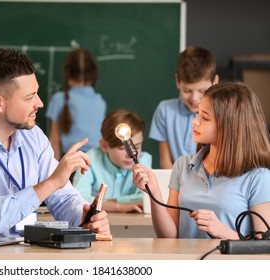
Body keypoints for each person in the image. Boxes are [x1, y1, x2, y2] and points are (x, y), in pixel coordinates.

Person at [0, 48, 110, 238]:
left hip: (22, 254)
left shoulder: (33, 137)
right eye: (29, 97)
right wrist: (50, 183)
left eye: (37, 94)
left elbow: (63, 198)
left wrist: (84, 217)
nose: (40, 103)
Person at [133, 82, 270, 239]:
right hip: (185, 263)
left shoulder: (259, 177)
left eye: (205, 117)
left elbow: (264, 247)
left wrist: (223, 232)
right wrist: (154, 192)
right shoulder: (182, 165)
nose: (195, 121)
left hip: (228, 264)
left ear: (231, 126)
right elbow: (169, 236)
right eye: (198, 113)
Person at [149, 46, 219, 169]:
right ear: (178, 81)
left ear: (215, 81)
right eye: (187, 90)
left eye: (202, 90)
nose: (194, 98)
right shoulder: (165, 111)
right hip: (176, 182)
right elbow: (165, 162)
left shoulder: (221, 114)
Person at [73, 109, 152, 213]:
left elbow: (148, 198)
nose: (130, 155)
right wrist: (118, 206)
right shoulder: (89, 158)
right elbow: (77, 200)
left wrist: (106, 202)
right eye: (122, 148)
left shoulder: (144, 160)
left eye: (136, 147)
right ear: (104, 146)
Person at [46, 48, 107, 160]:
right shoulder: (100, 102)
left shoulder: (59, 99)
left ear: (68, 73)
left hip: (71, 160)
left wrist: (55, 172)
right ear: (93, 74)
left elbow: (54, 141)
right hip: (96, 162)